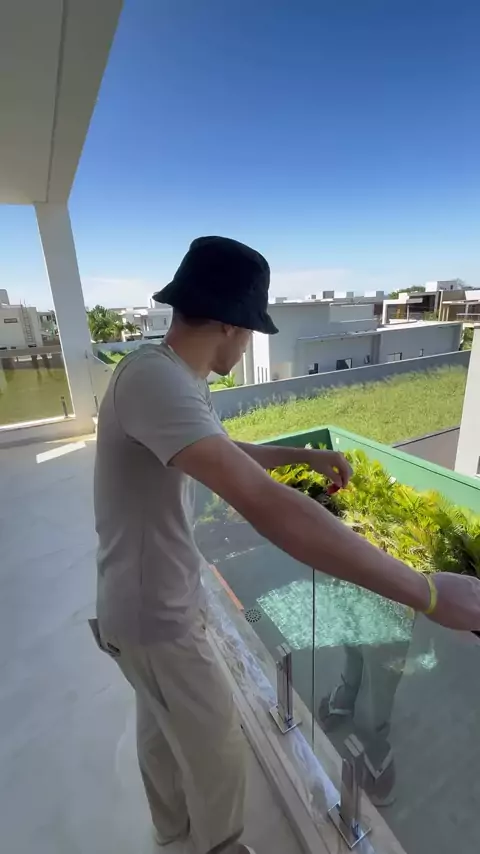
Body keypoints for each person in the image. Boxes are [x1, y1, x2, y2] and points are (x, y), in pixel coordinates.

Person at [93, 236, 480, 854]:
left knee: (161, 730)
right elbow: (269, 507)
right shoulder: (153, 380)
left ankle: (170, 834)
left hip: (146, 600)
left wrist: (301, 455)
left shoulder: (172, 378)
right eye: (251, 328)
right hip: (155, 614)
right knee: (216, 745)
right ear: (228, 322)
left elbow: (222, 451)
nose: (250, 342)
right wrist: (427, 592)